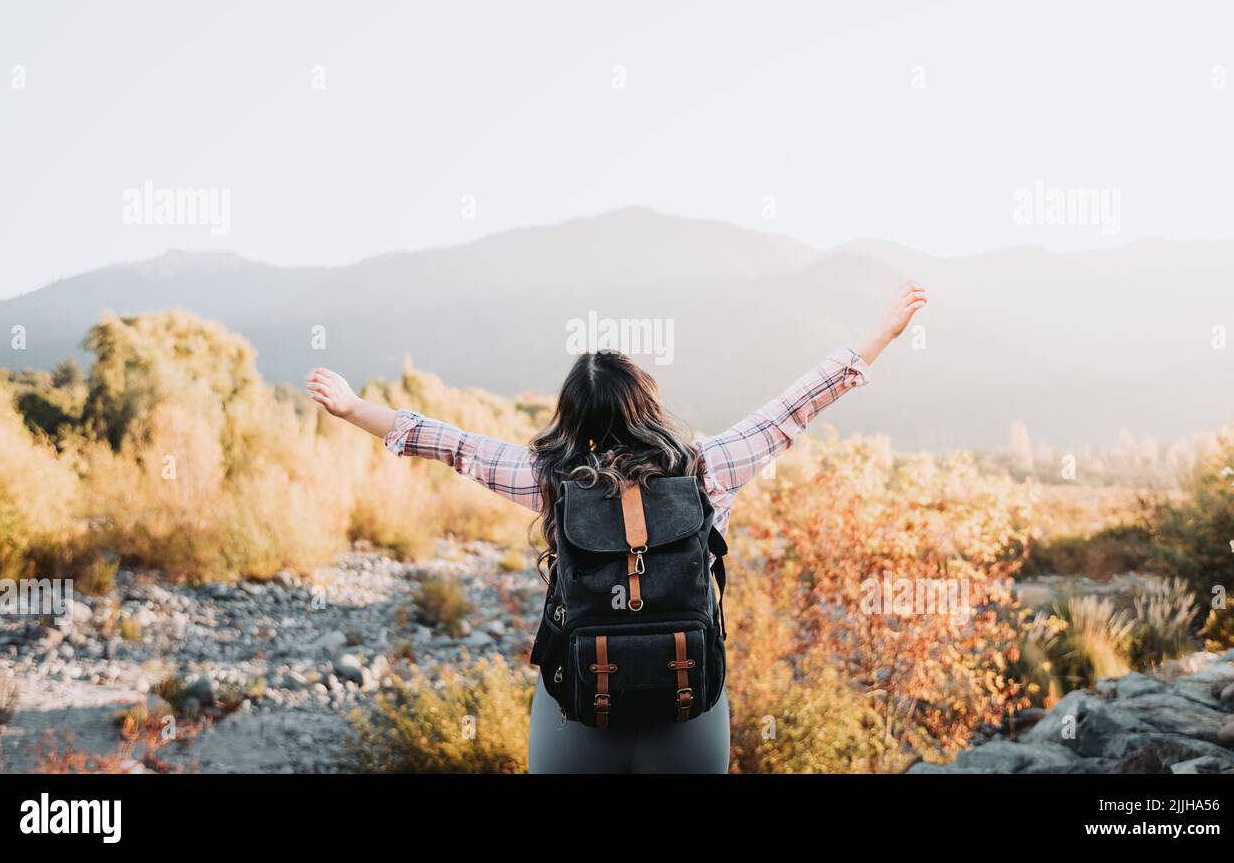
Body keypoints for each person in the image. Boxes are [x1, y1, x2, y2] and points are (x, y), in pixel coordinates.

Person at [306, 281, 927, 772]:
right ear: (648, 407)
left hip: (577, 700)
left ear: (570, 420)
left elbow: (454, 446)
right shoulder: (709, 469)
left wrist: (355, 407)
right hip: (689, 699)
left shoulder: (550, 478)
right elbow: (797, 406)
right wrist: (880, 335)